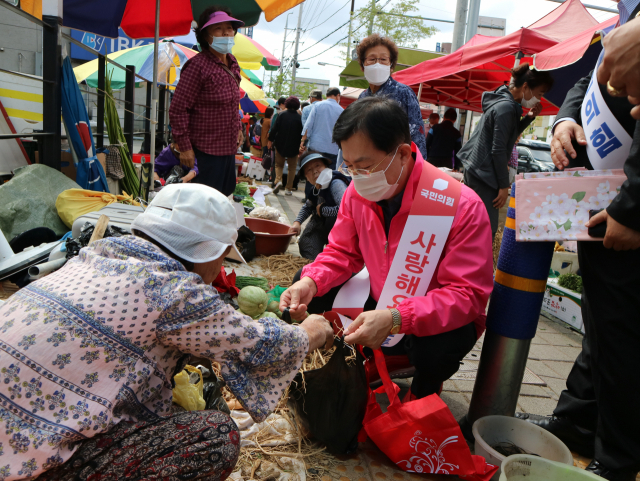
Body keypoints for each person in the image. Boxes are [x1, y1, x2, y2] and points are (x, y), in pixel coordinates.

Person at [0, 183, 334, 480]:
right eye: (221, 258)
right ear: (208, 252)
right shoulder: (174, 292)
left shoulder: (96, 254)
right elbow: (262, 346)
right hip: (26, 465)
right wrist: (311, 331)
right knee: (215, 436)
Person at [280, 97, 493, 400]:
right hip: (381, 297)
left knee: (437, 347)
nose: (356, 176)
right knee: (306, 282)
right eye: (349, 166)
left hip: (430, 316)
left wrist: (396, 318)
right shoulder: (357, 192)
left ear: (403, 154)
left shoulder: (461, 205)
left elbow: (467, 295)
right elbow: (341, 252)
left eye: (365, 166)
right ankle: (370, 355)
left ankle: (425, 391)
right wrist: (310, 281)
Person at [519, 3, 640, 479]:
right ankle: (575, 422)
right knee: (602, 324)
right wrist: (565, 121)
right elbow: (587, 81)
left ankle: (619, 457)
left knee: (624, 336)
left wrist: (634, 207)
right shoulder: (622, 19)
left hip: (625, 206)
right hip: (599, 192)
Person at [456, 63, 553, 240]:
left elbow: (507, 138)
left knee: (473, 223)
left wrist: (528, 119)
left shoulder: (503, 102)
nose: (538, 99)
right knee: (485, 229)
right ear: (525, 87)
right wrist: (503, 186)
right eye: (539, 94)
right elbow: (499, 149)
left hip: (477, 168)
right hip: (483, 174)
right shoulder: (507, 108)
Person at [169, 6, 245, 197]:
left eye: (229, 27)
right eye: (218, 28)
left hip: (227, 148)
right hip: (204, 151)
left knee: (224, 193)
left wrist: (238, 127)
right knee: (202, 201)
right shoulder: (197, 66)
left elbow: (232, 102)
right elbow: (178, 109)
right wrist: (185, 148)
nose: (226, 32)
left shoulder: (232, 62)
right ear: (205, 36)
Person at [357, 34, 428, 159]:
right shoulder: (362, 98)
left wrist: (417, 169)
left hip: (397, 167)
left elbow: (417, 138)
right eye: (372, 59)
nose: (377, 64)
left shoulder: (404, 93)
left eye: (383, 59)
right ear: (363, 65)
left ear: (391, 66)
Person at [289, 151, 350, 260]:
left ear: (326, 167)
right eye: (309, 170)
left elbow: (346, 209)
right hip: (325, 225)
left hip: (344, 229)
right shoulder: (316, 188)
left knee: (339, 256)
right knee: (306, 241)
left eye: (318, 165)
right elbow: (308, 206)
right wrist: (297, 223)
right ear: (306, 177)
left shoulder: (336, 184)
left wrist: (322, 210)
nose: (315, 171)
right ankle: (315, 262)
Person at [299, 87, 344, 169]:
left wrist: (303, 140)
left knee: (314, 172)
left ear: (326, 95)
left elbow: (308, 125)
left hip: (316, 147)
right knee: (329, 176)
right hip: (333, 149)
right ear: (338, 96)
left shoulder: (317, 106)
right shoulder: (341, 110)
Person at [268, 96, 303, 195]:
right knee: (292, 168)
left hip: (280, 143)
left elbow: (274, 129)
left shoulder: (281, 115)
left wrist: (270, 140)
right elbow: (301, 133)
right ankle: (288, 189)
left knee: (279, 165)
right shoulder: (299, 118)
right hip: (294, 145)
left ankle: (278, 181)